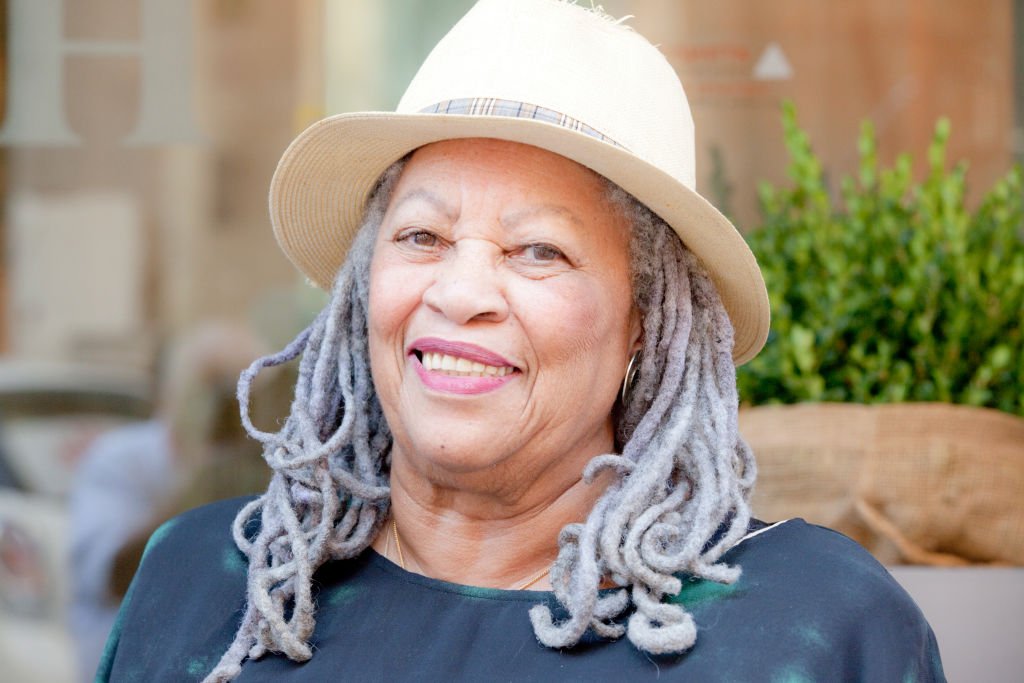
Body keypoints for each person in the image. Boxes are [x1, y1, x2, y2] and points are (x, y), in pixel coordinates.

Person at [98, 1, 946, 681]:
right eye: (422, 237)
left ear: (646, 323)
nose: (460, 293)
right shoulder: (212, 580)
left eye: (539, 250)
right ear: (364, 289)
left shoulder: (810, 627)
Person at [68, 322, 276, 681]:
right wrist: (202, 487)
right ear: (176, 390)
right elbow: (110, 576)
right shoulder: (123, 460)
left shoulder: (268, 467)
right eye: (220, 392)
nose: (232, 412)